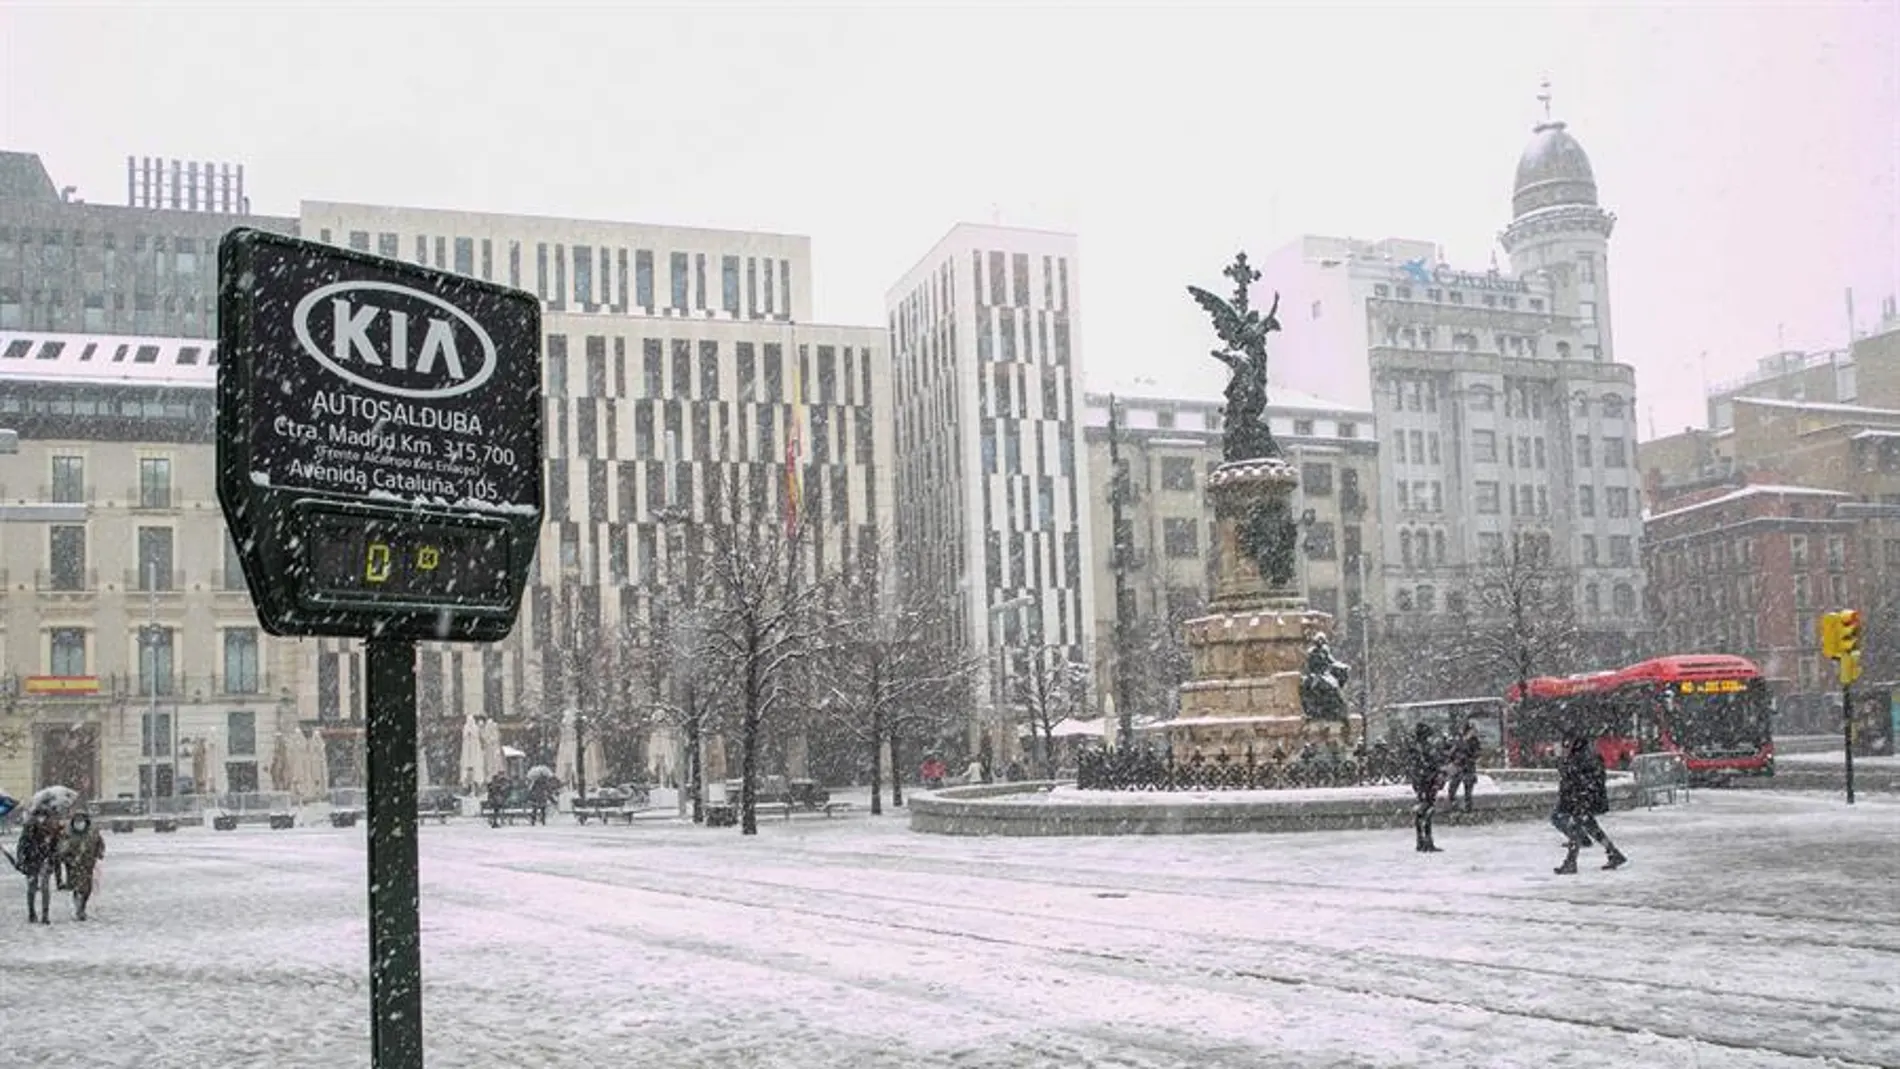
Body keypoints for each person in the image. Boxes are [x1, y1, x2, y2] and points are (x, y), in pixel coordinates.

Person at [1553, 733, 1628, 874]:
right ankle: (1614, 853)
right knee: (1592, 827)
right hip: (1583, 798)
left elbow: (1576, 777)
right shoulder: (1584, 756)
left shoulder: (1583, 758)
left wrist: (1565, 765)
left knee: (1576, 829)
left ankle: (1571, 862)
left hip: (1582, 799)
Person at [57, 811, 105, 921]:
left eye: (81, 821)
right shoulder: (68, 834)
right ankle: (79, 909)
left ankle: (82, 905)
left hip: (88, 864)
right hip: (73, 864)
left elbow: (100, 843)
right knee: (77, 886)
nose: (79, 823)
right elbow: (61, 848)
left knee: (87, 888)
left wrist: (99, 853)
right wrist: (66, 857)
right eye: (77, 821)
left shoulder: (92, 832)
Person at [1407, 722, 1446, 853]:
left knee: (1423, 810)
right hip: (1426, 782)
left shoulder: (1416, 748)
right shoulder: (1424, 748)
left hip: (1422, 782)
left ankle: (1422, 840)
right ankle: (1426, 841)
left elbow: (1416, 767)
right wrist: (1436, 775)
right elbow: (1431, 764)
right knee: (1427, 810)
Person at [1445, 720, 1482, 813]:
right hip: (1459, 768)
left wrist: (1467, 758)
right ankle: (1456, 808)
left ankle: (1467, 810)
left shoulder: (1474, 741)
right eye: (1472, 730)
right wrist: (1455, 759)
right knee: (1452, 789)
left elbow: (1477, 754)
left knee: (1467, 792)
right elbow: (1452, 752)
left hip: (1467, 768)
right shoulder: (1460, 740)